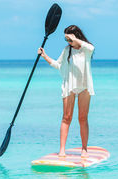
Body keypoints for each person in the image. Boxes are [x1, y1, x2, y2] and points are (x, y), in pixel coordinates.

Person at [38, 25, 95, 158]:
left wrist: (75, 40)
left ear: (76, 37)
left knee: (82, 118)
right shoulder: (67, 50)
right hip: (70, 86)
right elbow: (58, 65)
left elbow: (91, 48)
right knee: (66, 118)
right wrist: (44, 55)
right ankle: (62, 150)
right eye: (66, 39)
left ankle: (84, 149)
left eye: (69, 39)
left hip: (84, 87)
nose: (67, 42)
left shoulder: (86, 49)